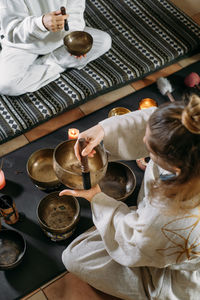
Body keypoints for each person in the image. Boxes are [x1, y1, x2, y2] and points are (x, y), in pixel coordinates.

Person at [59, 94, 200, 300]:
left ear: (177, 166)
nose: (143, 140)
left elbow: (135, 245)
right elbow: (157, 121)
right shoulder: (192, 144)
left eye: (150, 149)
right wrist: (103, 131)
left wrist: (97, 199)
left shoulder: (173, 213)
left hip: (177, 273)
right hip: (155, 231)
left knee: (74, 257)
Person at [0, 0, 111, 96]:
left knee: (104, 41)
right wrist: (40, 24)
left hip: (61, 37)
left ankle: (49, 61)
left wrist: (74, 39)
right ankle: (57, 62)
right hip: (23, 45)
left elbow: (75, 14)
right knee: (5, 85)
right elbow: (12, 31)